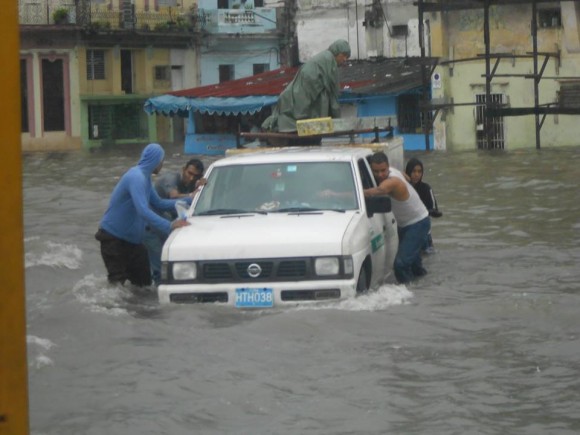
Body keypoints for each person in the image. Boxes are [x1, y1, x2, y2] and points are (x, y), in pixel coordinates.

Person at [95, 143, 190, 287]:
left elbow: (159, 203)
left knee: (144, 285)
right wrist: (170, 225)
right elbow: (143, 210)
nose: (162, 165)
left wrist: (190, 199)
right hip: (113, 239)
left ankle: (142, 310)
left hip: (133, 243)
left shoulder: (145, 179)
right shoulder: (136, 177)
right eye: (162, 161)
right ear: (156, 161)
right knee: (117, 285)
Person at [262, 39, 351, 141]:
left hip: (294, 96)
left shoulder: (325, 59)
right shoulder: (328, 61)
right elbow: (333, 92)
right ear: (336, 52)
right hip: (297, 101)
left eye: (347, 57)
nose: (345, 59)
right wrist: (337, 122)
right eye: (343, 55)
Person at [364, 151, 430, 284]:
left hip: (417, 224)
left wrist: (343, 193)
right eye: (375, 172)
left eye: (383, 170)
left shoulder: (392, 181)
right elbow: (407, 177)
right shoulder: (394, 171)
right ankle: (425, 290)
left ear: (388, 167)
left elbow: (378, 191)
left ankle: (409, 296)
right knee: (415, 266)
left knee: (400, 265)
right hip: (405, 224)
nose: (380, 175)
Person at [144, 158, 206, 284]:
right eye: (189, 173)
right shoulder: (171, 178)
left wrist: (201, 187)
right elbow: (174, 196)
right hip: (151, 228)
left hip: (167, 226)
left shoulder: (191, 184)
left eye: (196, 176)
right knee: (160, 270)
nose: (191, 178)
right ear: (183, 170)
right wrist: (193, 195)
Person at [404, 157, 443, 253]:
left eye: (419, 171)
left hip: (424, 234)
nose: (416, 175)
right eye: (413, 171)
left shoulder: (426, 189)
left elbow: (434, 209)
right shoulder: (403, 188)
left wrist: (428, 212)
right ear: (408, 172)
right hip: (406, 232)